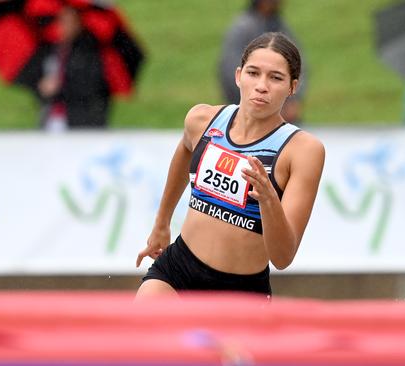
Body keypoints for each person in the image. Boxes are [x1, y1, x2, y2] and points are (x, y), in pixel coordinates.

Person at [135, 32, 324, 299]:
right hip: (177, 271)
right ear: (238, 76)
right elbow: (184, 151)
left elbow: (283, 258)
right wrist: (162, 222)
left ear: (293, 87)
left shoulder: (302, 151)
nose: (262, 86)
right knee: (146, 335)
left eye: (276, 78)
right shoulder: (202, 119)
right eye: (253, 73)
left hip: (241, 291)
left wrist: (269, 201)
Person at [218, 0, 306, 124]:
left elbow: (298, 65)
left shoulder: (280, 25)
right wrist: (248, 102)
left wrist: (292, 101)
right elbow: (229, 67)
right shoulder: (243, 27)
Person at [38, 6, 110, 131]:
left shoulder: (89, 52)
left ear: (78, 24)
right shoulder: (54, 50)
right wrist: (43, 86)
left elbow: (92, 86)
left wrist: (60, 86)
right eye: (62, 21)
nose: (64, 26)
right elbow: (44, 76)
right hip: (51, 118)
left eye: (69, 22)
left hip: (78, 119)